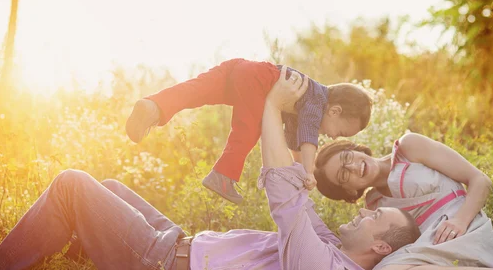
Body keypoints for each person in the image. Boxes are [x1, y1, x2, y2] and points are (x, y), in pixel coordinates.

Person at [0, 68, 417, 270]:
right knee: (108, 187)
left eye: (374, 217)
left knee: (72, 185)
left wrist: (271, 106)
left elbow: (285, 195)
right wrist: (294, 139)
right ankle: (76, 262)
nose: (361, 211)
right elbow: (296, 187)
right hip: (179, 246)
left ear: (379, 247)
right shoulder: (331, 250)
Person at [125, 58, 373, 204]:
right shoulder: (316, 100)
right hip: (256, 80)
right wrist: (309, 171)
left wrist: (299, 172)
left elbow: (295, 142)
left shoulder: (305, 101)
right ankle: (222, 176)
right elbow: (308, 138)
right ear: (335, 111)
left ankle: (154, 106)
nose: (333, 137)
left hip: (240, 68)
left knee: (196, 91)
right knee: (249, 128)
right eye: (340, 132)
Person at [313, 135, 493, 270]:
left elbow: (480, 180)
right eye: (344, 175)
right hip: (428, 256)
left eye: (348, 157)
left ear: (357, 149)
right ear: (349, 191)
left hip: (461, 231)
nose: (354, 167)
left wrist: (461, 220)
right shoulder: (374, 205)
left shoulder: (408, 148)